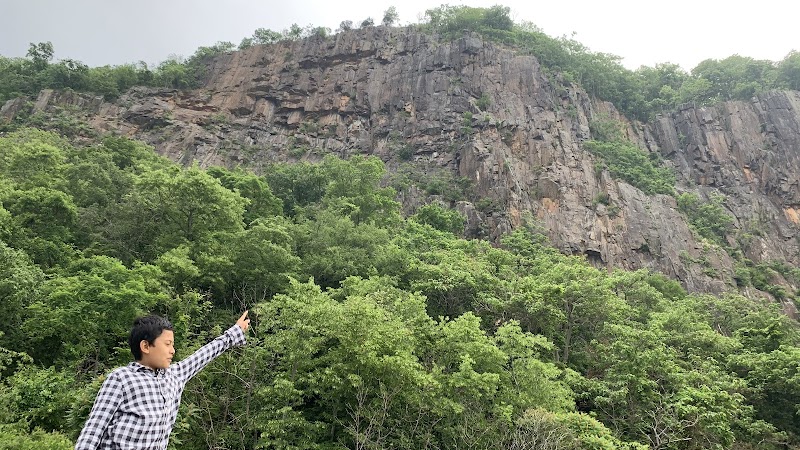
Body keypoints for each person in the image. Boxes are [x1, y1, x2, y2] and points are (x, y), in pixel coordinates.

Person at [75, 311, 250, 450]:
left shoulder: (175, 376)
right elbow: (93, 430)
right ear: (145, 346)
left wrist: (234, 332)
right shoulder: (122, 378)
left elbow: (204, 355)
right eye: (167, 344)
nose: (172, 350)